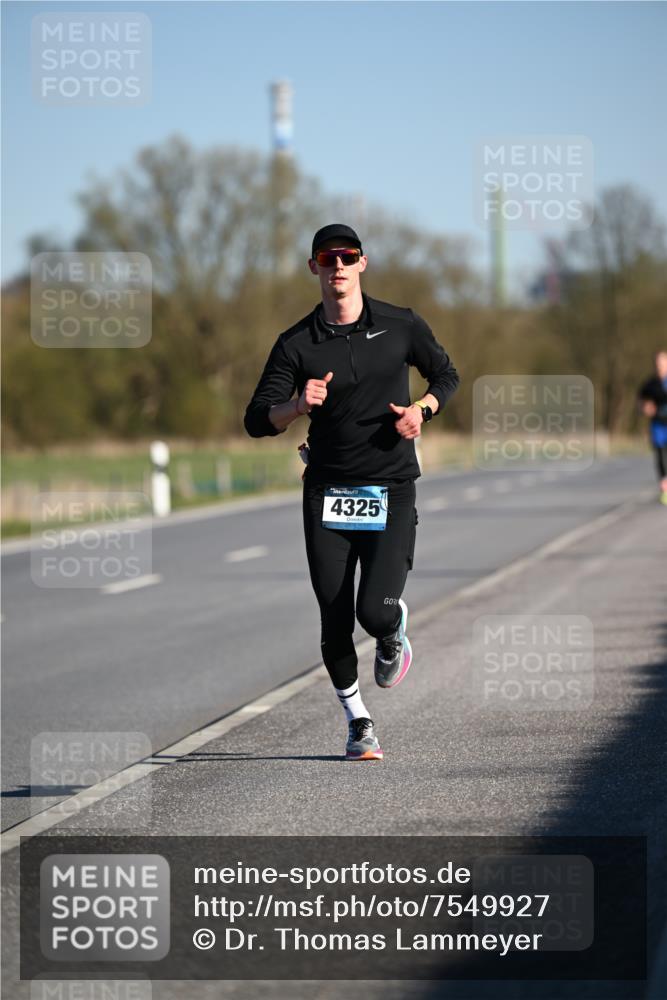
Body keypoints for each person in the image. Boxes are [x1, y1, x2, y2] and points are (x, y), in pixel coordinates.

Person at [244, 224, 460, 760]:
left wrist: (422, 411)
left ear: (362, 263)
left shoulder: (401, 324)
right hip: (327, 492)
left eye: (348, 257)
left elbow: (447, 375)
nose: (338, 266)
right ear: (313, 267)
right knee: (334, 612)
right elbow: (255, 420)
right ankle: (358, 721)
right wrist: (296, 406)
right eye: (327, 257)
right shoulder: (295, 343)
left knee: (373, 611)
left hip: (391, 487)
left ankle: (391, 630)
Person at [638, 350, 667, 505]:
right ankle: (665, 487)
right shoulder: (649, 385)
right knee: (661, 456)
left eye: (662, 363)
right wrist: (644, 408)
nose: (659, 366)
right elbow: (640, 403)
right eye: (657, 364)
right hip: (658, 426)